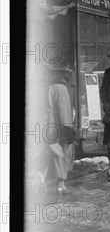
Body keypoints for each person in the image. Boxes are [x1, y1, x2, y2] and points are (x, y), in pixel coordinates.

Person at [45, 60, 75, 195]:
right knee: (62, 152)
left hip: (47, 125)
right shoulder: (61, 88)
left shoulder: (47, 87)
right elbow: (64, 112)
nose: (68, 75)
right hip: (58, 126)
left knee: (52, 153)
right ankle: (61, 184)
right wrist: (67, 130)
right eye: (66, 73)